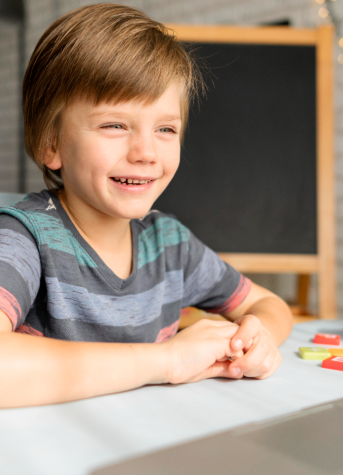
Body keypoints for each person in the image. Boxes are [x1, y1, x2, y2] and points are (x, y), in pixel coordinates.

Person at [0, 3, 292, 408]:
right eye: (115, 125)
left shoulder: (170, 244)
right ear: (51, 143)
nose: (146, 152)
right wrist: (165, 361)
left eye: (165, 129)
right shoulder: (24, 238)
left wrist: (256, 337)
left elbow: (268, 304)